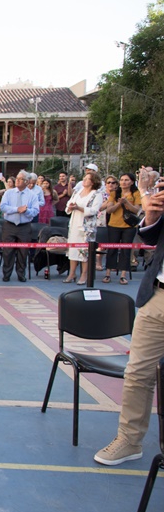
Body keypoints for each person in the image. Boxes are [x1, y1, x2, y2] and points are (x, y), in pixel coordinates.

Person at [94, 167, 164, 466]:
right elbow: (152, 236)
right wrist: (151, 215)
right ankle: (129, 439)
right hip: (158, 295)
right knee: (138, 374)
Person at [63, 171, 103, 285]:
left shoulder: (97, 194)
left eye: (87, 178)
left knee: (85, 251)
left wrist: (79, 208)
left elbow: (94, 210)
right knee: (73, 249)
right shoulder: (78, 191)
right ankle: (72, 273)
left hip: (87, 227)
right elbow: (69, 203)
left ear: (93, 182)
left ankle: (84, 274)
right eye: (84, 178)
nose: (84, 180)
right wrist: (70, 207)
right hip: (74, 224)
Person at [0, 170, 39, 282]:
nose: (17, 180)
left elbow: (35, 211)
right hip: (9, 225)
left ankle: (21, 274)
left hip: (24, 226)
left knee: (23, 252)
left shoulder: (32, 195)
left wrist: (26, 211)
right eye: (17, 178)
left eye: (20, 179)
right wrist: (17, 209)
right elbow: (3, 207)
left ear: (27, 182)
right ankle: (6, 274)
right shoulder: (9, 193)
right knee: (8, 251)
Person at [102, 173, 142, 285]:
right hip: (114, 225)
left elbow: (136, 210)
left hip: (129, 226)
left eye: (126, 180)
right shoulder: (114, 193)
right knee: (112, 249)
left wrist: (126, 202)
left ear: (132, 182)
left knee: (126, 250)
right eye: (122, 180)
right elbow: (109, 210)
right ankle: (108, 273)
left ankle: (123, 275)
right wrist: (119, 203)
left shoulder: (136, 193)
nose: (123, 182)